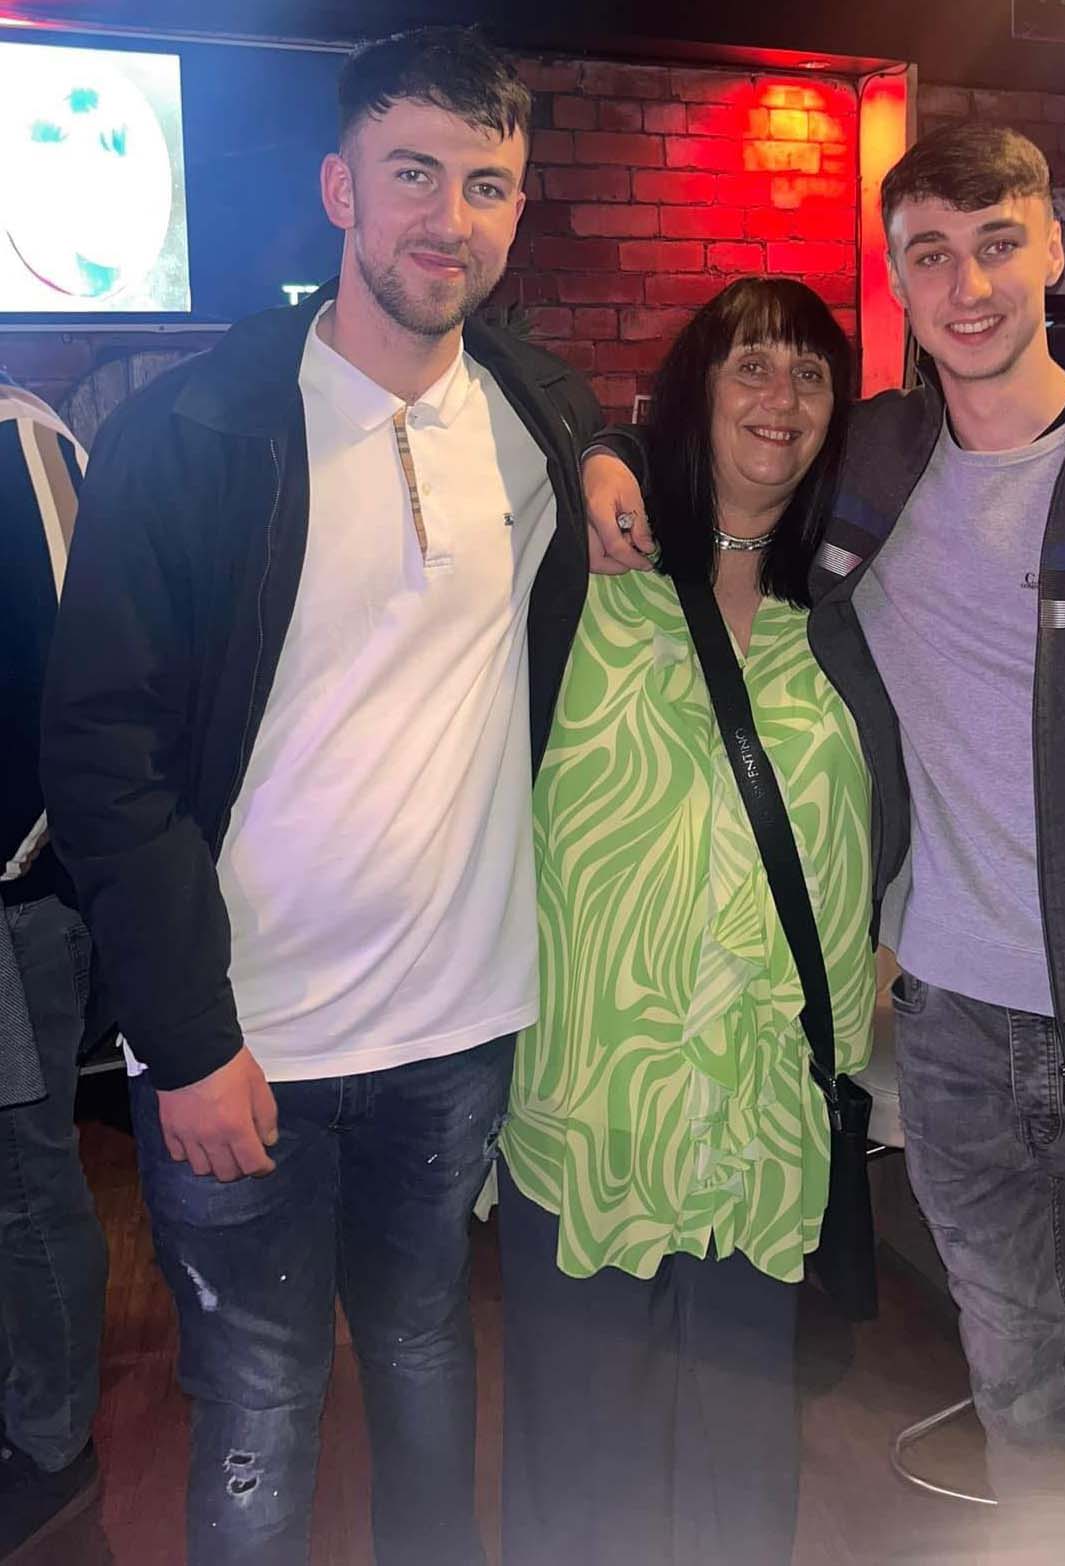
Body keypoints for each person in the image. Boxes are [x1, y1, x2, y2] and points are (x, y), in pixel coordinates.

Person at [583, 124, 1065, 1514]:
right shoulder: (874, 454)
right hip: (955, 1040)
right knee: (1022, 1400)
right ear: (896, 279)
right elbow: (714, 439)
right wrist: (605, 457)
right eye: (928, 254)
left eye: (993, 244)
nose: (964, 284)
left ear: (1051, 249)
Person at [41, 28, 600, 1565]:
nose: (450, 217)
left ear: (519, 207)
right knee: (261, 1401)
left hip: (456, 1028)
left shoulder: (535, 426)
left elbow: (569, 391)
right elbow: (100, 758)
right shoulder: (196, 435)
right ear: (338, 188)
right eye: (413, 172)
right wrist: (186, 1034)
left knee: (425, 1354)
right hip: (247, 1036)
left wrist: (606, 445)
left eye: (487, 185)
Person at [498, 279, 893, 1566]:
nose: (781, 401)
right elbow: (500, 371)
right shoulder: (582, 578)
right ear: (693, 394)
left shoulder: (840, 617)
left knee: (742, 1484)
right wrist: (606, 452)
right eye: (750, 369)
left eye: (810, 378)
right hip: (594, 1104)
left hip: (762, 1123)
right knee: (579, 1473)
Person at [0, 374, 104, 1561]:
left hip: (17, 897)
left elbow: (83, 684)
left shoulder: (18, 431)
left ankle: (52, 1445)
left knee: (24, 1185)